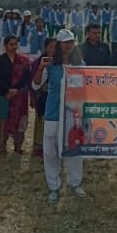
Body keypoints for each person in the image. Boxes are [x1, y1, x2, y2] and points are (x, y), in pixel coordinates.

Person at [32, 30, 86, 203]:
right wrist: (41, 67)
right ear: (59, 45)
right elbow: (36, 85)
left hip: (73, 115)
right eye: (65, 42)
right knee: (51, 152)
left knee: (74, 149)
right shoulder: (50, 64)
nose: (69, 45)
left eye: (71, 42)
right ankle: (53, 187)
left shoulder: (80, 65)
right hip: (53, 114)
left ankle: (75, 182)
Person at [0, 35, 33, 154]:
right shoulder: (0, 60)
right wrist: (8, 90)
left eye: (16, 44)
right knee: (3, 120)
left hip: (20, 96)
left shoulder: (24, 60)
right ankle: (3, 147)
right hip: (3, 95)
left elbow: (26, 77)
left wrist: (16, 89)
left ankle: (18, 145)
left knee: (20, 120)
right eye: (11, 44)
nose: (14, 47)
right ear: (5, 46)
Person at [30, 37, 56, 159]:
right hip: (42, 96)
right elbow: (33, 83)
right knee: (40, 121)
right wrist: (32, 96)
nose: (53, 49)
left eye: (55, 47)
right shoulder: (38, 62)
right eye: (51, 46)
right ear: (45, 48)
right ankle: (38, 147)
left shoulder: (60, 62)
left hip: (55, 98)